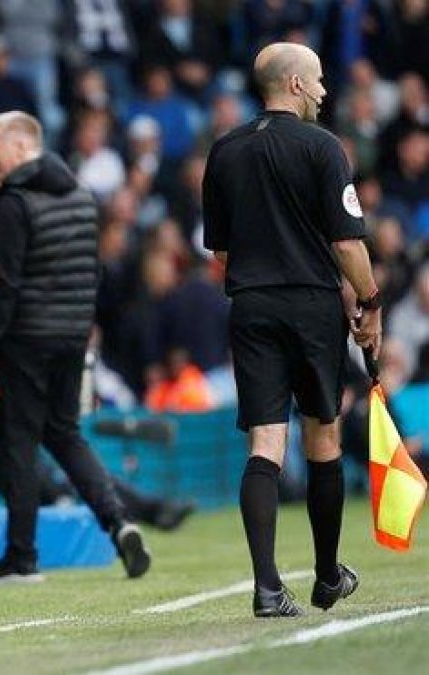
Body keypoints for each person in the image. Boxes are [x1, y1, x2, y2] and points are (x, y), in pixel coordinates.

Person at [202, 42, 379, 618]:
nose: (326, 91)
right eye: (320, 81)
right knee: (322, 438)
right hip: (311, 306)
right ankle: (327, 577)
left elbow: (221, 250)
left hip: (250, 307)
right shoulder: (324, 148)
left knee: (265, 444)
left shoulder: (224, 151)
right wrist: (370, 302)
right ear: (297, 85)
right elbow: (347, 243)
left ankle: (267, 588)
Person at [0, 111, 152, 584]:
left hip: (26, 339)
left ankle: (21, 557)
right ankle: (118, 523)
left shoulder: (13, 202)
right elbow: (89, 271)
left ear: (20, 145)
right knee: (65, 433)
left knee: (19, 445)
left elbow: (5, 284)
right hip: (73, 335)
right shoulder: (79, 192)